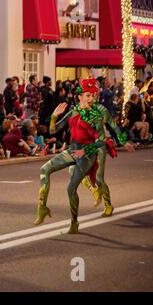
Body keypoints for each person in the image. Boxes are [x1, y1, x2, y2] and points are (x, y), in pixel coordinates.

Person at [34, 78, 109, 234]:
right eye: (88, 95)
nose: (91, 99)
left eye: (93, 96)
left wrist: (85, 151)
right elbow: (53, 131)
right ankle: (42, 208)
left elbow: (101, 141)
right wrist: (54, 116)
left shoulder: (96, 116)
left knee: (70, 189)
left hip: (86, 155)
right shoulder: (73, 112)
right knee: (44, 170)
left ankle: (74, 222)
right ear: (79, 97)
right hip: (72, 151)